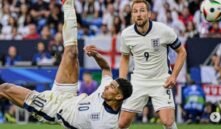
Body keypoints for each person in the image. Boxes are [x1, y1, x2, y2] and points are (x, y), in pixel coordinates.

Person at [0, 0, 132, 129]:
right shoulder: (105, 89)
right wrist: (97, 56)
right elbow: (106, 68)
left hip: (54, 108)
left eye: (112, 87)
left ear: (119, 96)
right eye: (110, 84)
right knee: (71, 52)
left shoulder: (106, 123)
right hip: (69, 96)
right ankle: (68, 4)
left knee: (6, 88)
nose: (107, 86)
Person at [118, 0, 187, 129]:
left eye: (142, 11)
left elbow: (182, 52)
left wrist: (173, 77)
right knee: (122, 123)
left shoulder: (164, 30)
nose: (139, 14)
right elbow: (124, 58)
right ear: (132, 15)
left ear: (149, 13)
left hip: (161, 80)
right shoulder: (126, 34)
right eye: (135, 11)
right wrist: (122, 80)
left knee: (168, 121)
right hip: (138, 81)